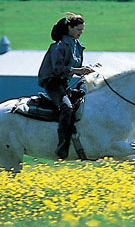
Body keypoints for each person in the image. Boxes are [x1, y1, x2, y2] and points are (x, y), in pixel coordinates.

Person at [38, 12, 94, 159]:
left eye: (82, 30)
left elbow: (76, 68)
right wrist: (78, 70)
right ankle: (62, 145)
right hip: (54, 84)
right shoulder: (59, 46)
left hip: (65, 84)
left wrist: (88, 68)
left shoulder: (77, 46)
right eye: (78, 30)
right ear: (70, 27)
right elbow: (58, 69)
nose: (80, 33)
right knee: (67, 108)